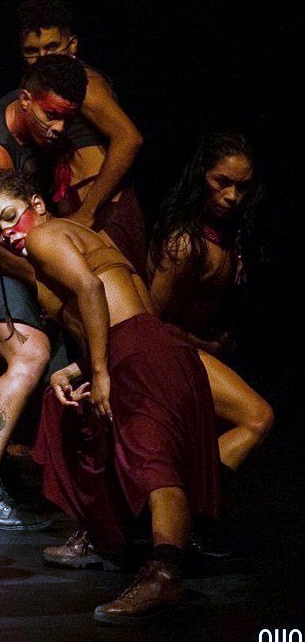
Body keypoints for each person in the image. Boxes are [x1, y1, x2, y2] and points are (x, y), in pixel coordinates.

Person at [0, 169, 221, 624]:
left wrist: (101, 370)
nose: (7, 232)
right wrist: (79, 368)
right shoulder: (76, 238)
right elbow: (117, 309)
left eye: (9, 216)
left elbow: (90, 288)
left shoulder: (45, 236)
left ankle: (164, 575)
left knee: (154, 461)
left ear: (37, 204)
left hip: (137, 353)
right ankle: (105, 536)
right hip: (144, 346)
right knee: (67, 411)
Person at [0, 54, 89, 532]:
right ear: (25, 100)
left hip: (18, 264)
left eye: (68, 118)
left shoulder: (37, 126)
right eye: (51, 115)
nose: (59, 128)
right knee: (31, 353)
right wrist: (45, 280)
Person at [148, 133, 271, 491]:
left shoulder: (227, 235)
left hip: (192, 348)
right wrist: (205, 344)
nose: (232, 196)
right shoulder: (185, 245)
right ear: (201, 175)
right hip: (167, 353)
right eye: (222, 182)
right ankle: (187, 500)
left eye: (242, 187)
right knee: (257, 418)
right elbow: (150, 325)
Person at [17, 0, 146, 269]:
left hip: (105, 212)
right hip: (79, 211)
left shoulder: (85, 83)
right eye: (32, 51)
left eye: (52, 47)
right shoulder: (45, 91)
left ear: (72, 44)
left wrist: (88, 211)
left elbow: (129, 138)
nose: (43, 58)